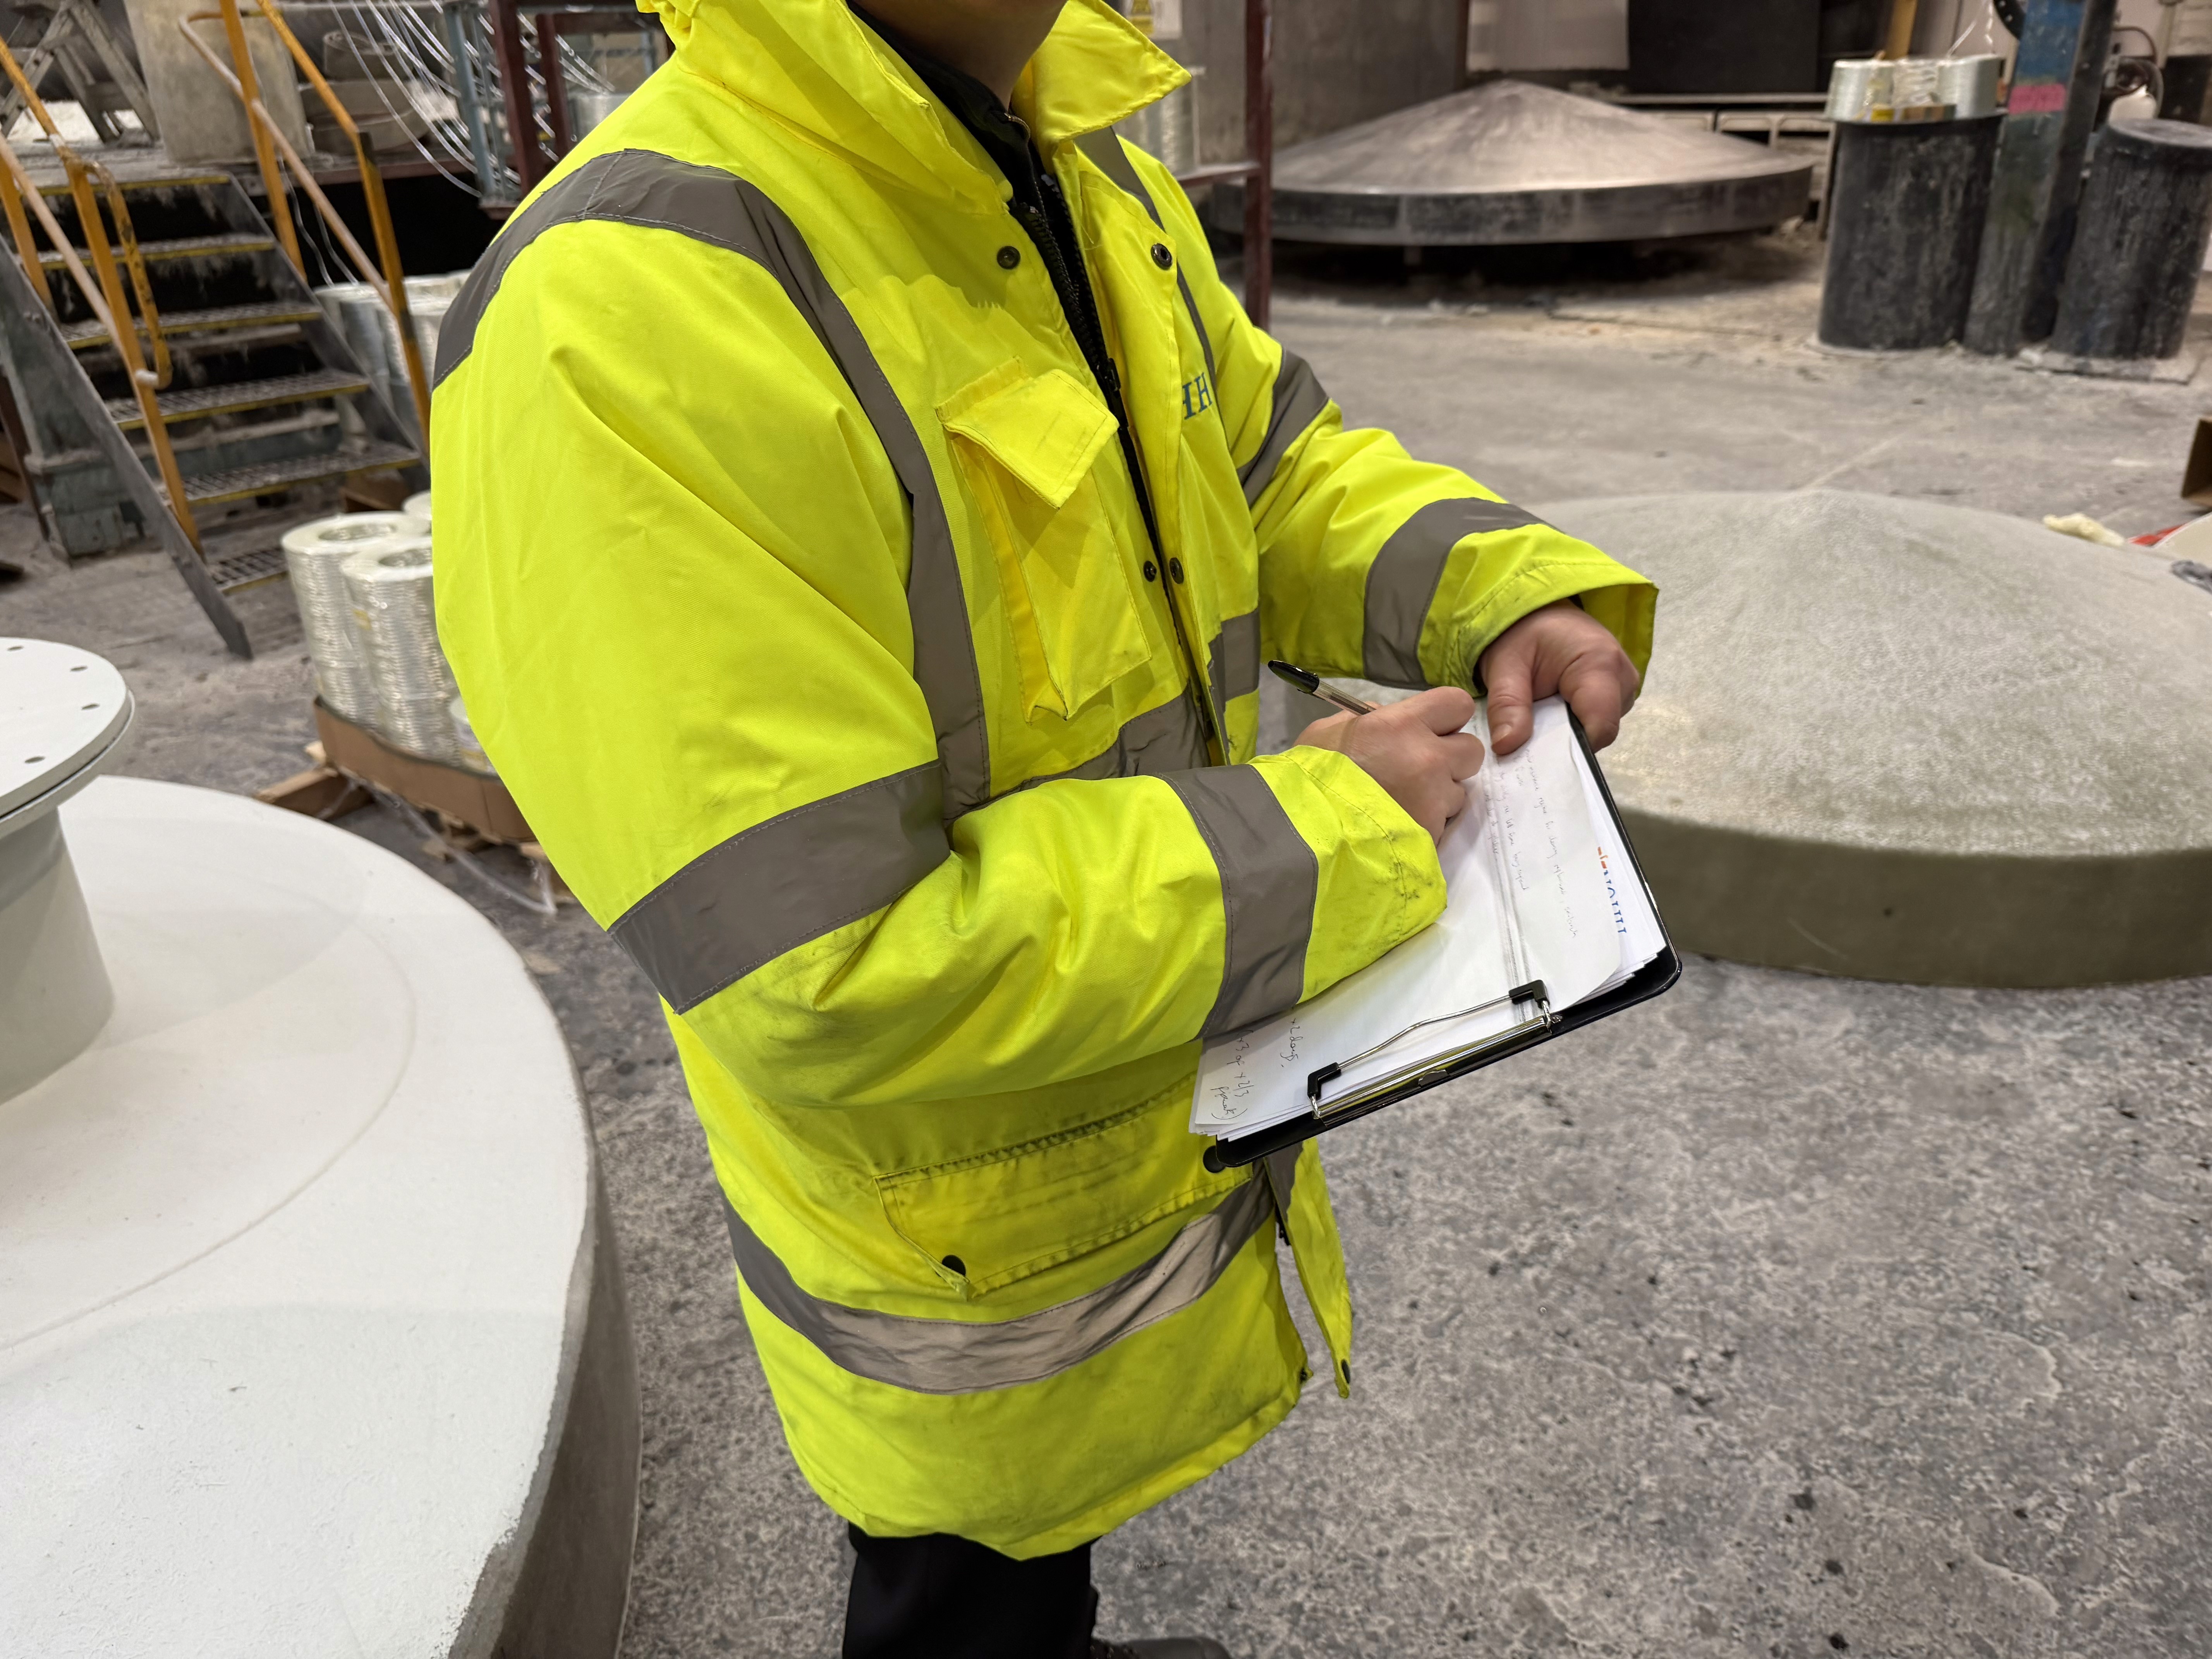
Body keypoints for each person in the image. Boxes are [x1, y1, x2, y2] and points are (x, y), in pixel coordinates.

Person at [430, 0, 1654, 1652]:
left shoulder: (1077, 173)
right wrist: (1338, 833)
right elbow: (835, 961)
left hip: (1139, 1097)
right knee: (957, 1578)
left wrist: (1494, 595)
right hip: (961, 1251)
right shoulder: (624, 311)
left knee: (1032, 1576)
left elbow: (1268, 471)